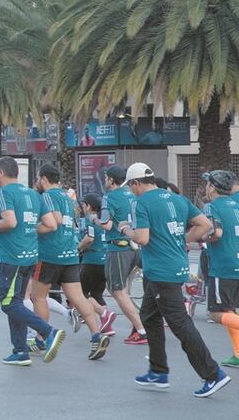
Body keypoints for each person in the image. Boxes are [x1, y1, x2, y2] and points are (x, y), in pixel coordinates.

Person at [120, 163, 230, 397]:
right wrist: (183, 239)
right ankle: (158, 371)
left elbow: (142, 238)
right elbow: (205, 225)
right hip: (173, 266)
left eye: (130, 187)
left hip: (161, 272)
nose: (131, 192)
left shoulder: (141, 203)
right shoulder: (176, 198)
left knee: (181, 324)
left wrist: (125, 230)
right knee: (148, 316)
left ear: (136, 183)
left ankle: (213, 374)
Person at [0, 156, 65, 366]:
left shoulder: (4, 194)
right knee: (16, 301)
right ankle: (20, 351)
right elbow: (51, 224)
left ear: (0, 173)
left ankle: (48, 331)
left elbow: (10, 221)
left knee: (8, 304)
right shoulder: (33, 194)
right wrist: (28, 232)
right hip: (30, 255)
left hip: (12, 257)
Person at [32, 164, 110, 360]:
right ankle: (96, 335)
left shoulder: (48, 196)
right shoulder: (68, 199)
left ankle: (43, 338)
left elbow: (54, 221)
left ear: (43, 179)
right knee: (78, 297)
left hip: (50, 254)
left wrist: (33, 228)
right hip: (70, 253)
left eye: (38, 179)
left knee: (38, 297)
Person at [95, 164, 147, 345]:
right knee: (123, 289)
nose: (104, 180)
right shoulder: (132, 194)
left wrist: (93, 218)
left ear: (110, 179)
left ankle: (141, 329)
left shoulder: (109, 198)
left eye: (106, 177)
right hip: (135, 247)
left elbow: (106, 224)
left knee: (116, 290)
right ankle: (138, 326)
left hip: (118, 248)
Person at [202, 170, 239, 369]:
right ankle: (238, 353)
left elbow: (215, 233)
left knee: (215, 314)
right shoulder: (237, 204)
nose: (206, 188)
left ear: (213, 187)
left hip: (224, 266)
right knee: (229, 310)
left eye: (207, 184)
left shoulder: (211, 207)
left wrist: (202, 237)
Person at [77, 193, 117, 334]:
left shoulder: (90, 220)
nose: (82, 207)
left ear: (88, 206)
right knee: (97, 293)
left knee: (79, 293)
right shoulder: (103, 219)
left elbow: (89, 238)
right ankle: (107, 326)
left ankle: (103, 313)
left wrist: (78, 248)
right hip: (105, 259)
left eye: (83, 205)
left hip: (92, 260)